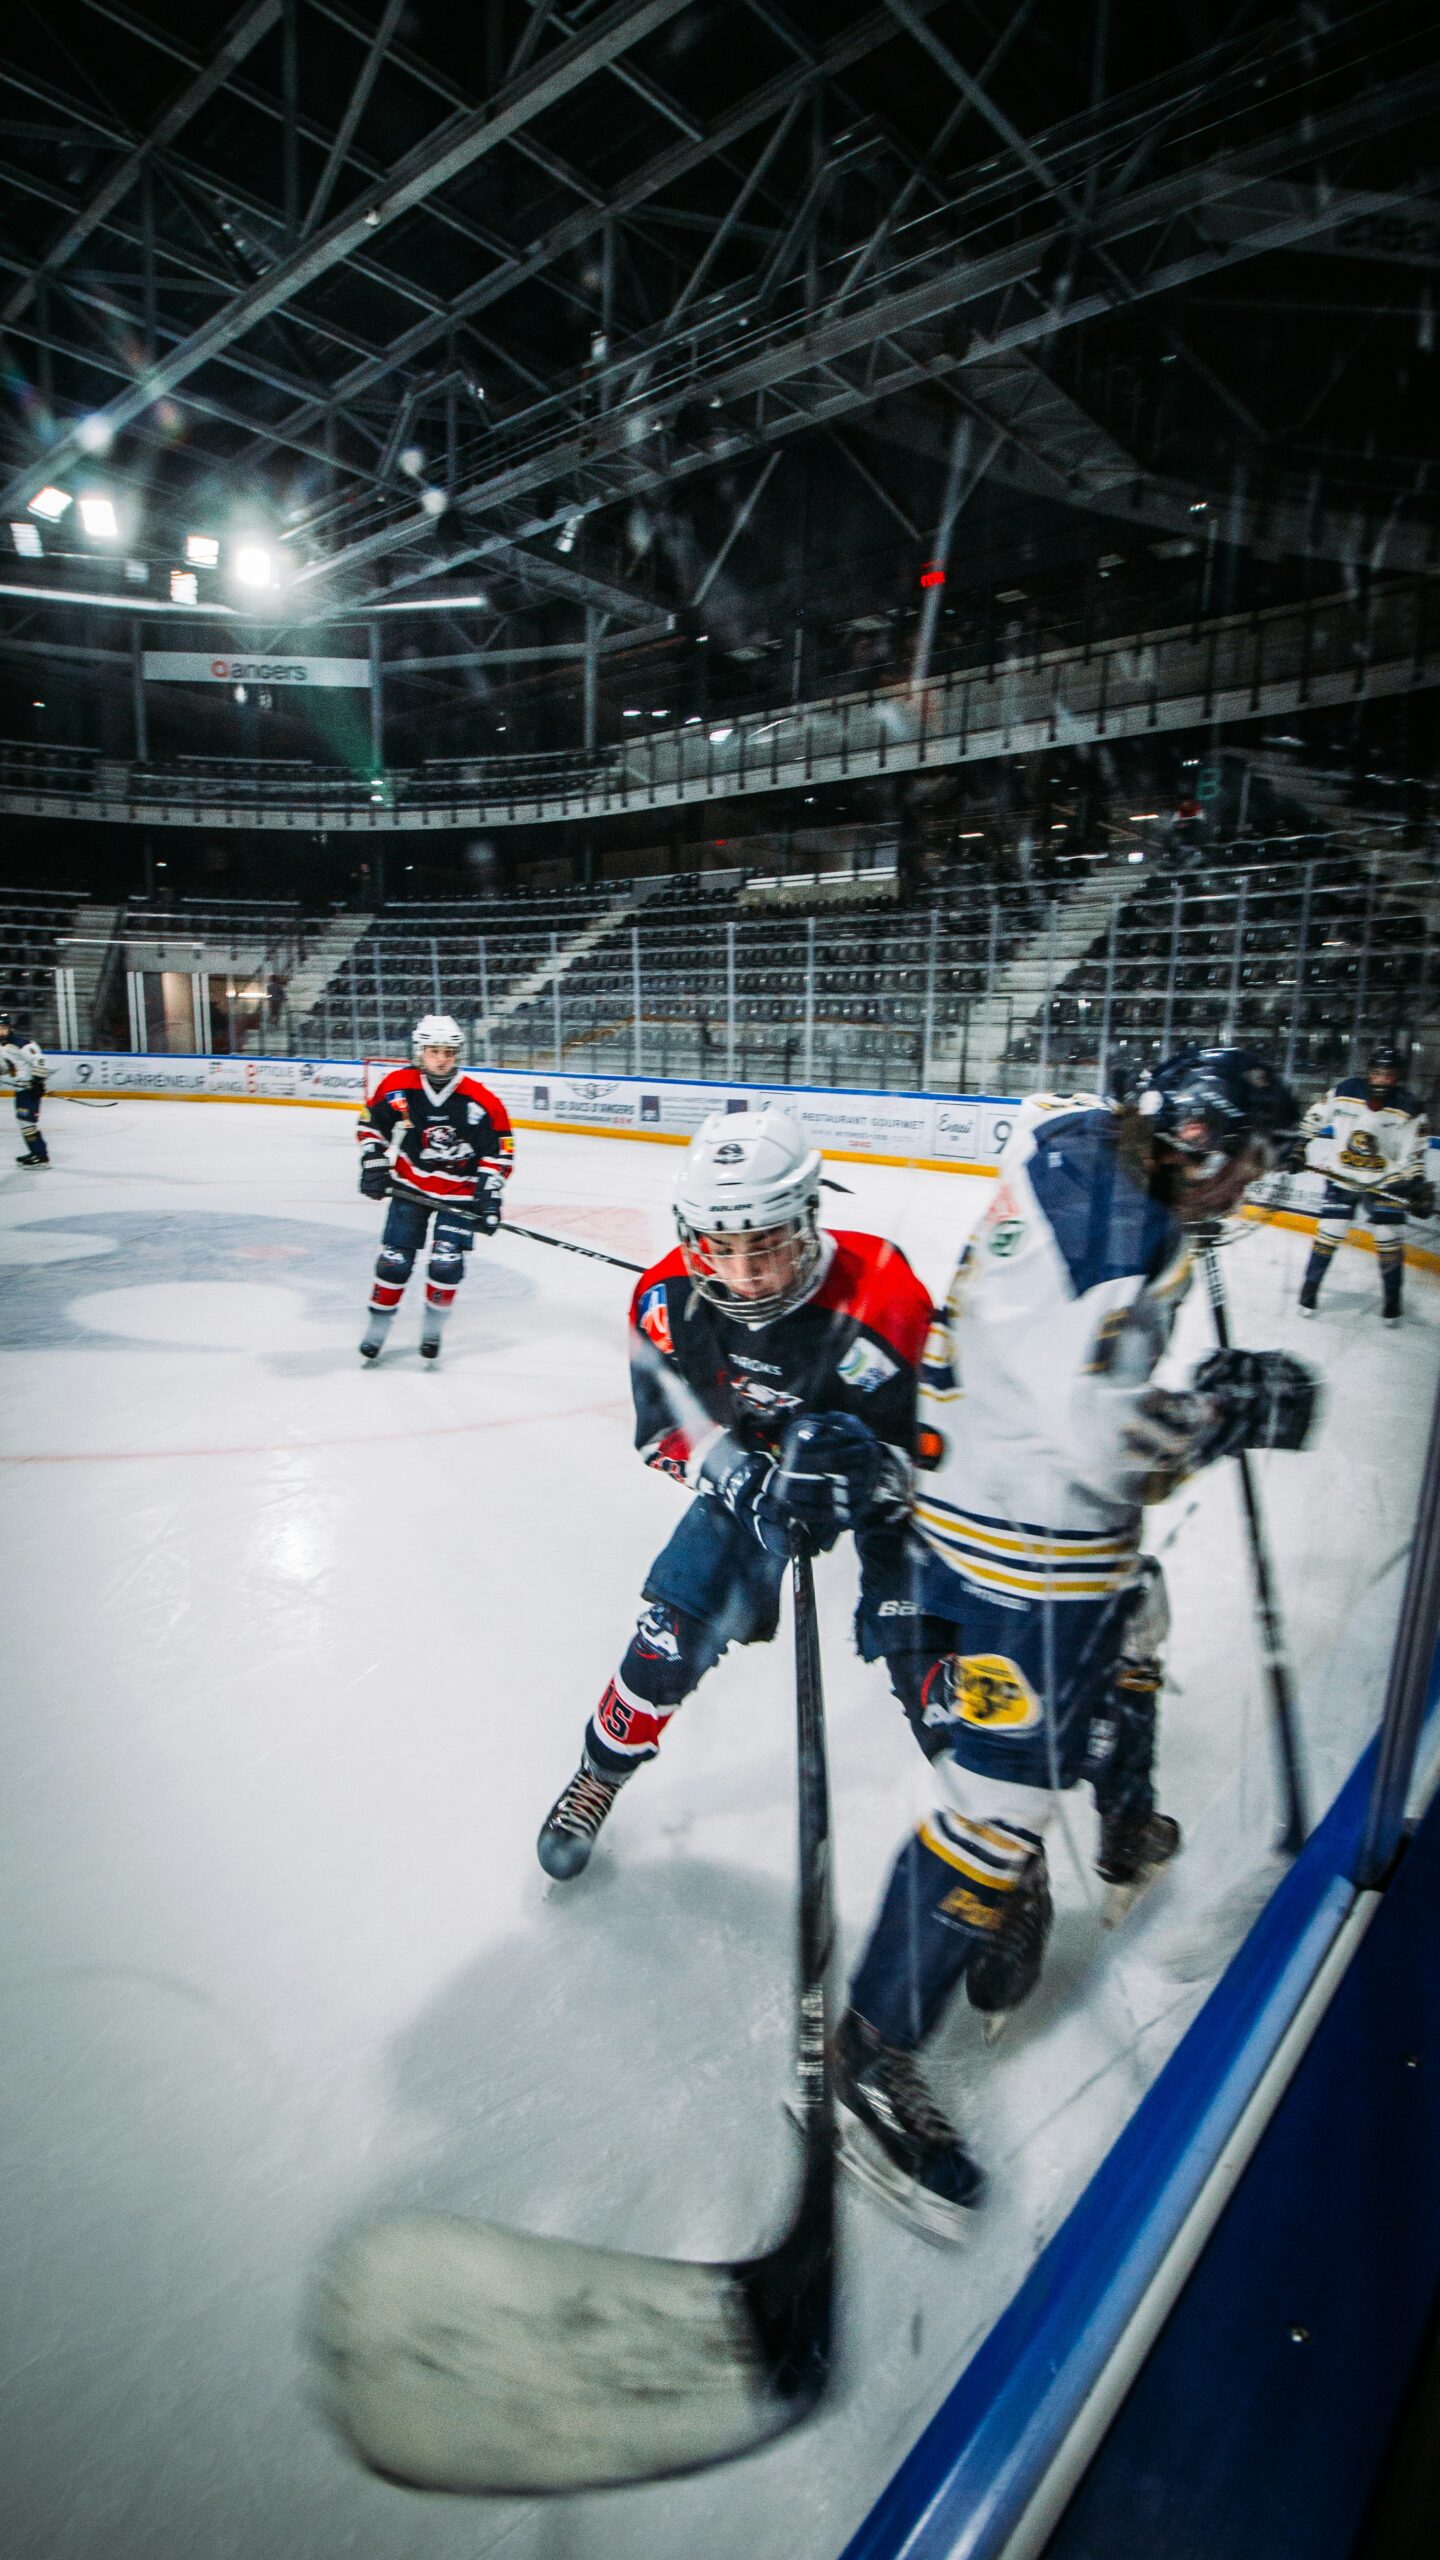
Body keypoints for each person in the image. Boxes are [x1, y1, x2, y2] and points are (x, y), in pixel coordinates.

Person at [836, 1050, 1320, 2234]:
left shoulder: (1083, 1162)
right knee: (997, 1813)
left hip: (1007, 1523)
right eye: (1243, 1161)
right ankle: (870, 2054)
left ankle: (1123, 1828)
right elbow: (1113, 1448)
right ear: (1195, 1143)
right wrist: (1222, 1411)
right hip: (1023, 1557)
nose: (1248, 1186)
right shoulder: (1118, 1231)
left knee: (1135, 1624)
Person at [536, 1103, 932, 1882]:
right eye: (721, 1250)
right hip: (752, 1463)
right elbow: (666, 1432)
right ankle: (600, 1771)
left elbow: (953, 1449)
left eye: (769, 1248)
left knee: (934, 1654)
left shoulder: (886, 1294)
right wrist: (747, 1482)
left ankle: (992, 1847)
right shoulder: (664, 1300)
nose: (745, 1275)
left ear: (808, 1220)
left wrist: (875, 1477)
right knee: (670, 1631)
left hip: (872, 1476)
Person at [355, 1015, 513, 1363]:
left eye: (449, 1051)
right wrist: (374, 1162)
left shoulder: (479, 1100)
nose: (441, 1058)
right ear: (420, 1052)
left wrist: (489, 1195)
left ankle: (432, 1328)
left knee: (445, 1264)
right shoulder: (399, 1086)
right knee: (393, 1262)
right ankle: (378, 1328)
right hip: (411, 1185)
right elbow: (371, 1125)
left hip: (459, 1194)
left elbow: (500, 1150)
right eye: (433, 1050)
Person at [1297, 1045, 1432, 1322]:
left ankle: (1392, 1298)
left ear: (1398, 1077)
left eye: (1388, 1074)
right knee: (1330, 1230)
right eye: (1377, 1073)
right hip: (1342, 1177)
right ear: (1369, 1073)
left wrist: (1416, 1183)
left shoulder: (1409, 1108)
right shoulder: (1346, 1090)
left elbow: (1415, 1153)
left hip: (1385, 1180)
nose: (1381, 1079)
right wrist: (1300, 1146)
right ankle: (1309, 1290)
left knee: (1388, 1237)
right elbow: (1316, 1115)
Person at [0, 1012, 50, 1167]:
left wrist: (38, 1081)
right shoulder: (2, 1046)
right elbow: (7, 1067)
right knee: (24, 1122)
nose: (1, 1031)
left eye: (4, 1028)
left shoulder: (21, 1043)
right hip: (21, 1088)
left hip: (29, 1089)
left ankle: (40, 1156)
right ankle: (36, 1153)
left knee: (27, 1122)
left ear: (9, 1028)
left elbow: (39, 1059)